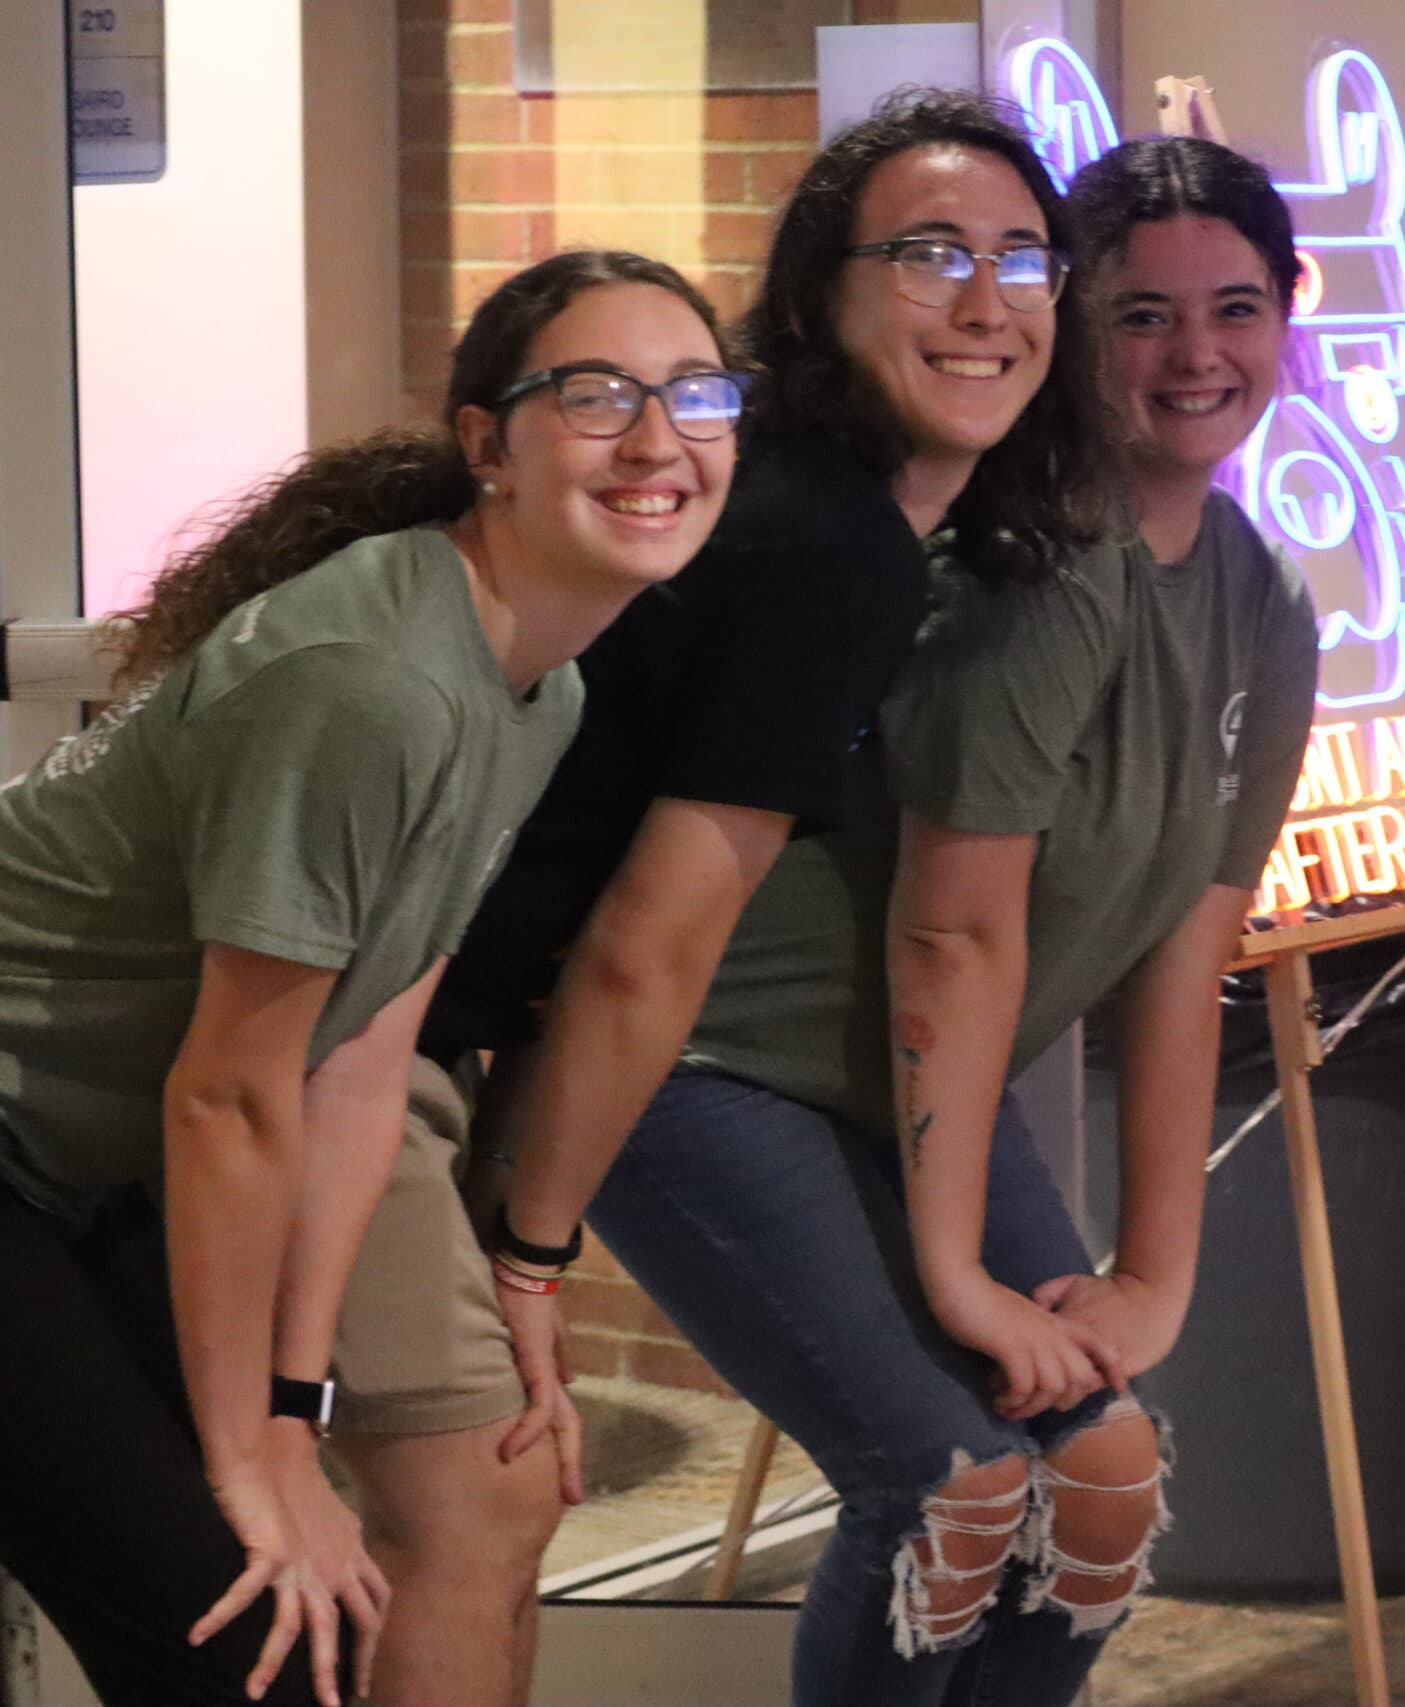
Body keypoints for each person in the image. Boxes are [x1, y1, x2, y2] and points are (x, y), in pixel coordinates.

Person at [303, 90, 1116, 1707]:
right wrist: (534, 1258)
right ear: (820, 293)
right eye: (932, 254)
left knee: (495, 1507)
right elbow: (643, 943)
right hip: (359, 1036)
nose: (986, 299)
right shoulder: (824, 538)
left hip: (423, 1030)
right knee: (479, 1512)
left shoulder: (829, 519)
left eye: (1026, 260)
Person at [573, 130, 1315, 1706]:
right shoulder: (1045, 564)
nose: (1196, 355)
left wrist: (1154, 1278)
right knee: (950, 1489)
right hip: (709, 1071)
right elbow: (953, 937)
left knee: (1103, 1475)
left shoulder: (1263, 597)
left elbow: (1189, 952)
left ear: (1291, 319)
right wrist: (965, 1279)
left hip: (890, 1092)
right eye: (1138, 313)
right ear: (1076, 334)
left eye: (1237, 308)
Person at [0, 248, 743, 1707]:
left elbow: (352, 1070)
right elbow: (231, 1097)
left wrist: (292, 1405)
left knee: (295, 1633)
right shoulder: (373, 680)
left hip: (72, 1173)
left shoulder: (540, 683)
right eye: (595, 396)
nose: (658, 440)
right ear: (488, 446)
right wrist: (253, 1454)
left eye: (697, 394)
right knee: (241, 1640)